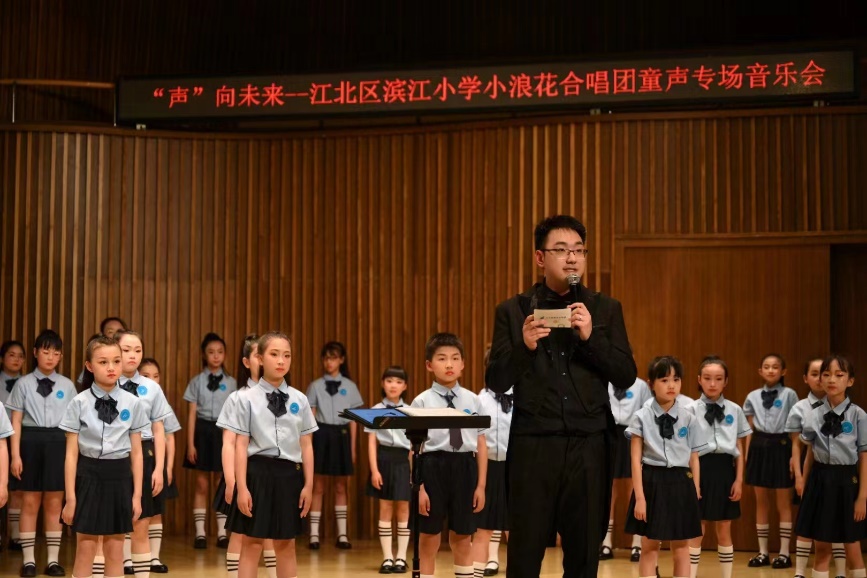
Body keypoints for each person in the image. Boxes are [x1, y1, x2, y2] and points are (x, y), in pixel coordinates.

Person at [485, 214, 637, 578]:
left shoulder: (605, 308)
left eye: (579, 251)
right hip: (534, 445)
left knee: (584, 556)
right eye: (561, 250)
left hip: (590, 446)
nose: (572, 258)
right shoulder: (513, 310)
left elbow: (625, 375)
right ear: (540, 258)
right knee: (525, 555)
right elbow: (496, 381)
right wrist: (524, 346)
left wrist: (591, 338)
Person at [226, 332, 316, 578]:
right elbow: (240, 446)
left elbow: (306, 445)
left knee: (286, 544)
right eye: (274, 354)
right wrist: (241, 487)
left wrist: (309, 484)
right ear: (260, 358)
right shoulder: (245, 398)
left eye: (286, 355)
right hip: (257, 473)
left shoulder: (300, 399)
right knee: (252, 543)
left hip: (289, 475)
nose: (281, 361)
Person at [59, 336, 147, 578]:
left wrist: (137, 495)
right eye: (103, 362)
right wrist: (70, 498)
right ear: (89, 366)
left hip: (119, 477)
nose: (111, 367)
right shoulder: (78, 402)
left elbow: (137, 453)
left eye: (116, 361)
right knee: (85, 549)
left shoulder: (133, 403)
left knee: (115, 550)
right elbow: (71, 455)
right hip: (87, 475)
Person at [412, 333, 487, 578]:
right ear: (429, 365)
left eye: (455, 358)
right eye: (442, 358)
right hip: (432, 466)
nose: (449, 364)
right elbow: (414, 449)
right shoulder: (421, 401)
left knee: (463, 537)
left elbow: (481, 443)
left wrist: (481, 486)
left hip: (465, 467)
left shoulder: (474, 400)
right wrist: (419, 487)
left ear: (463, 364)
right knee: (429, 536)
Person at [625, 356, 705, 578]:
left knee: (681, 547)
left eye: (676, 379)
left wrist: (695, 488)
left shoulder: (689, 417)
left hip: (681, 482)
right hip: (651, 482)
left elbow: (694, 457)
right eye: (664, 380)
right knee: (650, 546)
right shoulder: (641, 416)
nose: (671, 385)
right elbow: (635, 460)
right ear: (651, 383)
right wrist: (640, 498)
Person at [7, 329, 76, 578]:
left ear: (61, 356)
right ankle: (28, 561)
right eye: (46, 352)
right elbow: (15, 421)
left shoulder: (67, 385)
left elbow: (73, 426)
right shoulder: (23, 384)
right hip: (30, 442)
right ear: (35, 353)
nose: (50, 357)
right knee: (29, 501)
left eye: (56, 353)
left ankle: (53, 561)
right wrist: (15, 455)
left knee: (55, 502)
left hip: (58, 442)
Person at [796, 355, 867, 578]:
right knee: (822, 549)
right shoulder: (813, 414)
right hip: (819, 481)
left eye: (839, 375)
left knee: (853, 547)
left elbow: (864, 456)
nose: (831, 380)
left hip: (847, 482)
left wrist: (862, 497)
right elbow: (810, 452)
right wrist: (804, 482)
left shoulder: (858, 415)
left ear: (850, 381)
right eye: (826, 375)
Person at [215, 334, 279, 578]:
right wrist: (231, 480)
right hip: (245, 473)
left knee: (272, 534)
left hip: (273, 473)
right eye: (257, 356)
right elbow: (228, 443)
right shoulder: (238, 398)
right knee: (240, 533)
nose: (263, 361)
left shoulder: (284, 396)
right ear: (246, 362)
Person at [687, 356, 751, 578]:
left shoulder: (735, 409)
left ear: (726, 381)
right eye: (707, 378)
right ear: (699, 380)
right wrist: (694, 483)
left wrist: (739, 480)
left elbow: (739, 446)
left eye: (718, 379)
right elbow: (688, 449)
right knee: (697, 529)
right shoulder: (689, 409)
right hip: (698, 469)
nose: (712, 383)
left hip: (725, 470)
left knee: (724, 528)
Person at [115, 331, 171, 578]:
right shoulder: (105, 383)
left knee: (142, 522)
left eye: (137, 350)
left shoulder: (152, 388)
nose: (132, 355)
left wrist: (159, 468)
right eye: (126, 349)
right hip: (115, 455)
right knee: (111, 525)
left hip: (146, 454)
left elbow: (159, 430)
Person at [787, 358, 847, 578]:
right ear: (807, 378)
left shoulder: (846, 408)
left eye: (830, 374)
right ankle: (800, 572)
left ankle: (840, 571)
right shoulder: (801, 407)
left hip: (836, 466)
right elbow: (797, 444)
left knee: (836, 520)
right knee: (807, 520)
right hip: (810, 463)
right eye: (816, 374)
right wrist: (799, 476)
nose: (823, 379)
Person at [306, 341, 364, 549]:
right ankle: (314, 535)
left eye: (334, 358)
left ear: (341, 360)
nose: (329, 362)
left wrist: (352, 448)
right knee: (318, 486)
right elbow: (309, 419)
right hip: (321, 434)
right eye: (326, 358)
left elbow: (353, 420)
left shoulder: (350, 386)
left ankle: (342, 535)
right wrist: (308, 447)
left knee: (341, 486)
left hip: (342, 435)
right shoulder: (315, 386)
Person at [744, 353, 799, 568]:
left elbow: (795, 429)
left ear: (783, 371)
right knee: (761, 501)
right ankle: (763, 552)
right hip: (758, 447)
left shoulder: (790, 394)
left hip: (781, 446)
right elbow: (748, 429)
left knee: (783, 501)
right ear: (760, 371)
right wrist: (747, 456)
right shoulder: (752, 396)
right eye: (766, 366)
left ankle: (784, 553)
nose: (770, 370)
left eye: (775, 367)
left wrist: (794, 457)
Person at [183, 332, 237, 549]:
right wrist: (190, 444)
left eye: (220, 352)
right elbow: (191, 414)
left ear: (225, 355)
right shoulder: (196, 381)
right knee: (201, 484)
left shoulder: (232, 383)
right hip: (202, 432)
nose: (216, 356)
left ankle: (222, 533)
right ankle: (200, 534)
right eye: (211, 352)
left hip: (224, 432)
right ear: (204, 355)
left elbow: (235, 415)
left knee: (222, 482)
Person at [365, 366, 411, 574]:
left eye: (399, 382)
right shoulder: (375, 410)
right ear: (383, 383)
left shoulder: (410, 411)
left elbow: (413, 446)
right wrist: (374, 470)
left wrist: (413, 471)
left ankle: (401, 557)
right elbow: (371, 443)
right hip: (383, 459)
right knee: (385, 508)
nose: (393, 385)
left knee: (403, 508)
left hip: (403, 460)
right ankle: (387, 558)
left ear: (405, 386)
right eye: (389, 381)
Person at [602, 372, 651, 562]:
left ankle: (636, 544)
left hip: (633, 435)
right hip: (610, 434)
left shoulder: (640, 386)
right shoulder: (605, 382)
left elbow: (647, 412)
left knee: (634, 489)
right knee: (610, 490)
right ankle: (606, 543)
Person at [473, 345, 512, 578]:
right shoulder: (478, 401)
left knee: (516, 528)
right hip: (486, 469)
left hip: (515, 469)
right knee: (483, 528)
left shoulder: (523, 398)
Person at [137, 358, 178, 575]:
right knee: (134, 512)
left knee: (155, 510)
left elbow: (169, 436)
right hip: (133, 453)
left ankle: (154, 556)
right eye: (146, 376)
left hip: (154, 457)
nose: (152, 380)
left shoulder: (161, 401)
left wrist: (167, 467)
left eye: (156, 376)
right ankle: (127, 559)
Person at [0, 340, 25, 550]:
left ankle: (15, 535)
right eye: (11, 354)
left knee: (17, 486)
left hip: (19, 437)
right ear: (2, 358)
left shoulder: (27, 383)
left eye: (20, 356)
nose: (16, 359)